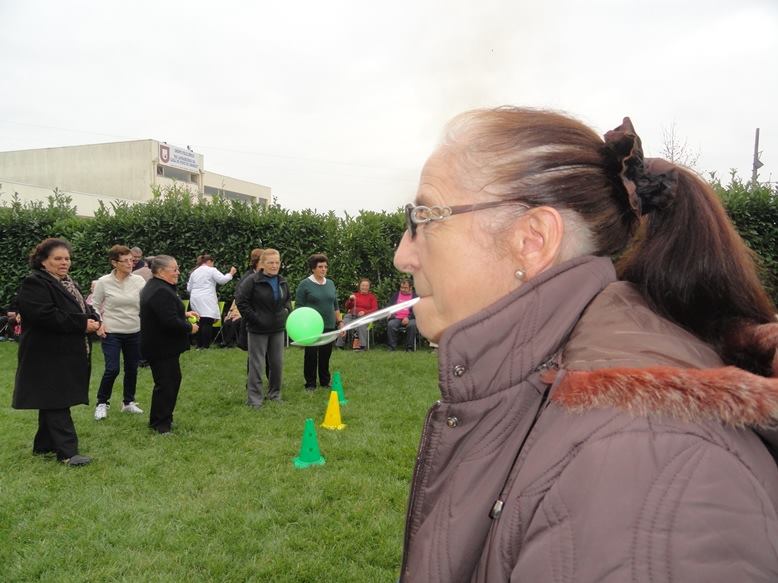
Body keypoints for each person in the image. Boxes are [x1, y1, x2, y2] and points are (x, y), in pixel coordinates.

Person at [392, 108, 778, 582]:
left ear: (532, 241)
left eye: (424, 218)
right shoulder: (535, 387)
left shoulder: (642, 464)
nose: (402, 255)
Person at [12, 238, 101, 466]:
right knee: (57, 399)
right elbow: (44, 315)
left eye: (67, 258)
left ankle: (43, 445)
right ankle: (68, 453)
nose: (64, 263)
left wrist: (93, 317)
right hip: (45, 353)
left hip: (64, 352)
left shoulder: (67, 282)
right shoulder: (35, 283)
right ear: (43, 261)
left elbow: (82, 307)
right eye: (58, 259)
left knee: (51, 397)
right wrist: (82, 324)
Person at [140, 255, 198, 434]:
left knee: (169, 382)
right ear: (160, 271)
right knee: (167, 384)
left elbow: (164, 312)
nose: (178, 272)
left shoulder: (158, 286)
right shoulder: (160, 290)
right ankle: (161, 425)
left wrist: (184, 314)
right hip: (161, 347)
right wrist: (190, 327)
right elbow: (169, 321)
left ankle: (162, 419)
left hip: (161, 346)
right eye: (174, 269)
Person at [92, 245, 147, 420]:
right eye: (125, 261)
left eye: (132, 260)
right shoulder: (103, 282)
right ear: (114, 263)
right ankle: (102, 403)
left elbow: (149, 301)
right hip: (112, 332)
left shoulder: (139, 280)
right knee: (112, 369)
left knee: (132, 368)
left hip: (134, 331)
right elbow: (94, 305)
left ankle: (128, 402)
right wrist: (99, 324)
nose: (130, 264)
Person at [235, 248, 291, 407]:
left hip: (277, 329)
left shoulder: (282, 281)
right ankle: (254, 400)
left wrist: (286, 312)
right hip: (257, 330)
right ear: (262, 264)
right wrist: (255, 318)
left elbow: (287, 299)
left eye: (277, 262)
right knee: (257, 365)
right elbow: (241, 302)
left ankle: (275, 395)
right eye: (270, 262)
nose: (274, 266)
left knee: (277, 364)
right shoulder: (252, 281)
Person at [295, 253, 343, 390]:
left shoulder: (330, 283)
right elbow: (299, 307)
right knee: (311, 355)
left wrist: (340, 322)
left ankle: (324, 381)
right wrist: (302, 326)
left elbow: (335, 305)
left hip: (329, 325)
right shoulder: (305, 284)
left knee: (325, 355)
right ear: (313, 268)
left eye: (325, 267)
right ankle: (310, 383)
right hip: (312, 327)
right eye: (320, 267)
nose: (324, 269)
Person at [186, 253, 236, 349]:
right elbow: (222, 280)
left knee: (199, 321)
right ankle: (205, 346)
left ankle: (199, 345)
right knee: (207, 321)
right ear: (209, 261)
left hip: (195, 298)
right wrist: (231, 273)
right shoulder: (211, 270)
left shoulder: (194, 272)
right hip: (207, 297)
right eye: (213, 263)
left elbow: (189, 288)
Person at [335, 277, 378, 350]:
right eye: (363, 285)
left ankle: (362, 346)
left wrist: (365, 312)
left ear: (369, 287)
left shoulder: (372, 297)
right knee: (342, 324)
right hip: (351, 316)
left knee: (361, 324)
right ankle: (340, 345)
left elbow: (375, 309)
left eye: (366, 286)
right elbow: (347, 306)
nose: (364, 287)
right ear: (359, 286)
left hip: (364, 317)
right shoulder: (355, 295)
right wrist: (350, 300)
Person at [386, 279, 417, 351]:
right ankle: (391, 347)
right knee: (391, 324)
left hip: (410, 318)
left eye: (405, 288)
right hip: (396, 317)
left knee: (412, 325)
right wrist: (390, 313)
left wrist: (408, 318)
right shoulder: (396, 295)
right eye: (401, 287)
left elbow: (417, 311)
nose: (402, 289)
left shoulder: (415, 297)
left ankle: (409, 348)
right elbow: (389, 306)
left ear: (410, 288)